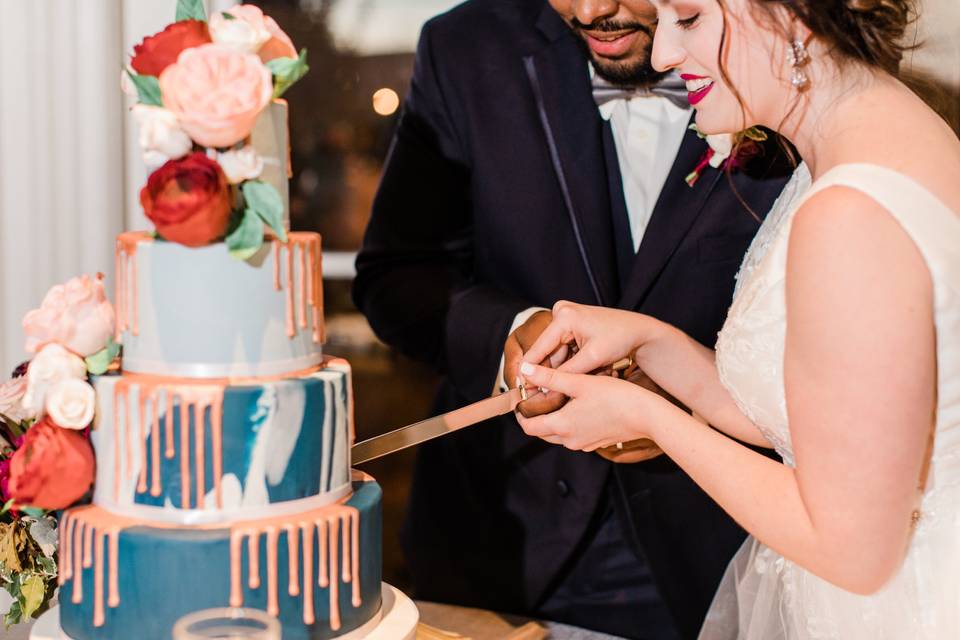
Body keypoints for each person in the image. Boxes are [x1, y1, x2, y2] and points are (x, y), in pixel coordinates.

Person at [513, 0, 960, 637]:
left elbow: (853, 551)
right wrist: (649, 342)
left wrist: (650, 418)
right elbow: (823, 422)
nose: (664, 53)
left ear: (793, 14)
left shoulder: (850, 215)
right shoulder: (876, 132)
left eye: (690, 19)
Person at [352, 0, 791, 637]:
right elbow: (396, 275)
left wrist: (689, 396)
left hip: (728, 547)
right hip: (502, 545)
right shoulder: (465, 49)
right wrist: (512, 332)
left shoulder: (779, 53)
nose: (591, 11)